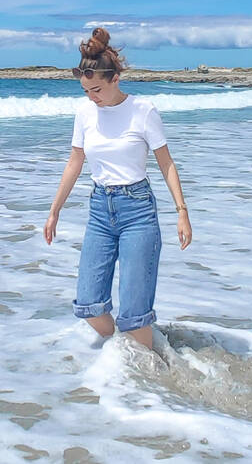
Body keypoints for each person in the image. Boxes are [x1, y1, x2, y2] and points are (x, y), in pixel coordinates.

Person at [41, 27, 193, 350]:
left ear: (115, 79)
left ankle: (152, 376)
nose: (92, 98)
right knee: (88, 303)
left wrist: (182, 211)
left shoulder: (143, 111)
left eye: (96, 90)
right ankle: (125, 354)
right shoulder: (84, 113)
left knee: (134, 316)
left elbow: (166, 163)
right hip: (100, 211)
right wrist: (54, 211)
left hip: (137, 211)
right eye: (85, 91)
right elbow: (74, 163)